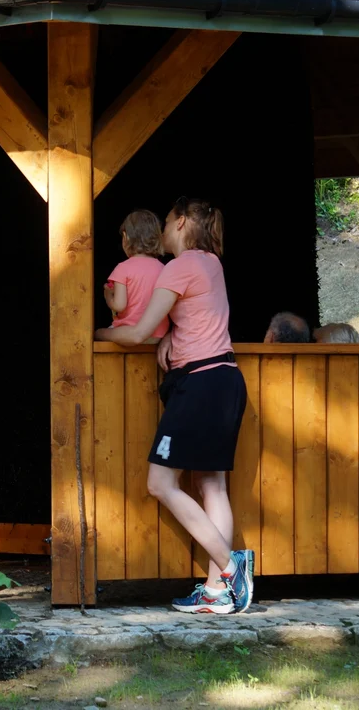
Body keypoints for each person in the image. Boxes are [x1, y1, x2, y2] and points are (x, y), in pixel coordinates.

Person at [95, 198, 253, 615]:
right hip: (225, 379)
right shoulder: (211, 263)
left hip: (198, 385)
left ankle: (232, 565)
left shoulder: (179, 266)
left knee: (160, 484)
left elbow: (136, 333)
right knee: (212, 486)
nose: (163, 230)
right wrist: (171, 337)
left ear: (180, 222)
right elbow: (191, 319)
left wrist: (96, 332)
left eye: (167, 221)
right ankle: (218, 592)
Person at [104, 210, 169, 342]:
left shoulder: (122, 268)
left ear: (126, 237)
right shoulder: (164, 269)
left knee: (98, 334)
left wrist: (108, 296)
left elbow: (119, 305)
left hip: (129, 332)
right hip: (157, 335)